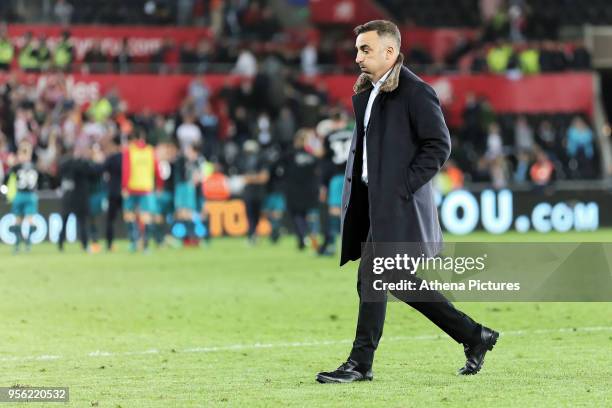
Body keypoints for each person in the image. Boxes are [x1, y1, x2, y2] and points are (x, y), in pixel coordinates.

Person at [316, 20, 498, 384]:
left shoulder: (416, 91)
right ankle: (474, 335)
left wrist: (402, 187)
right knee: (393, 279)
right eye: (357, 50)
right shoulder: (372, 90)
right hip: (371, 202)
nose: (357, 57)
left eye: (365, 49)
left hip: (395, 204)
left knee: (375, 278)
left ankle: (360, 363)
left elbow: (439, 145)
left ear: (390, 51)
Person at [318, 110, 352, 256]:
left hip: (337, 176)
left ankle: (331, 245)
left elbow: (325, 162)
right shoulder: (354, 133)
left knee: (334, 210)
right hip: (354, 175)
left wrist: (323, 184)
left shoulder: (329, 137)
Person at [122, 127, 160, 252]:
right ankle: (146, 245)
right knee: (146, 216)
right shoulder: (150, 150)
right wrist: (159, 185)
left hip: (132, 187)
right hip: (146, 187)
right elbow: (157, 169)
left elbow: (126, 171)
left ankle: (134, 241)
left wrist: (124, 187)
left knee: (129, 214)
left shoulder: (129, 151)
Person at [57, 146, 102, 252]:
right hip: (80, 197)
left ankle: (61, 244)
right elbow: (95, 174)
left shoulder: (67, 164)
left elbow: (59, 173)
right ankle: (84, 245)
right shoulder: (84, 165)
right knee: (81, 222)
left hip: (69, 197)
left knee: (67, 221)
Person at [282, 129, 320, 251]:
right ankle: (303, 238)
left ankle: (303, 236)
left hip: (294, 189)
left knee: (295, 214)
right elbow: (317, 172)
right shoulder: (311, 156)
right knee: (304, 214)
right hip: (309, 189)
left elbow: (281, 169)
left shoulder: (289, 154)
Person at [4, 142, 38, 253]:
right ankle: (28, 242)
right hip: (32, 196)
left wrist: (4, 191)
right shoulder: (34, 166)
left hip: (21, 195)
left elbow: (6, 178)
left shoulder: (16, 167)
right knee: (30, 220)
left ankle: (18, 244)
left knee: (18, 220)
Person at [103, 136, 123, 251]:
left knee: (110, 220)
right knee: (130, 217)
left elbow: (100, 169)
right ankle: (135, 241)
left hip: (113, 192)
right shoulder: (126, 158)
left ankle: (109, 244)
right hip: (126, 191)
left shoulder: (111, 158)